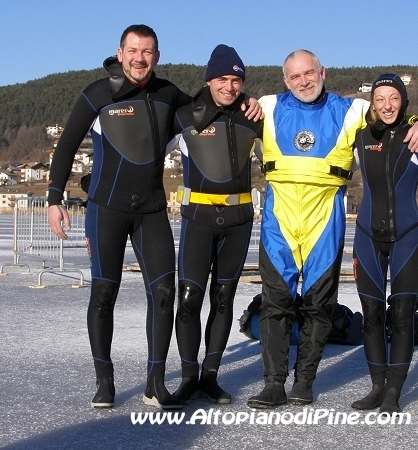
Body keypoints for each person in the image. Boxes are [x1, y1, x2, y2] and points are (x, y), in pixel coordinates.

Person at [47, 25, 261, 410]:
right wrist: (53, 197)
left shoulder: (168, 94)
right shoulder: (98, 93)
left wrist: (245, 99)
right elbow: (66, 146)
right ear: (120, 52)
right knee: (104, 293)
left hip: (151, 210)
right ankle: (104, 381)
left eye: (147, 52)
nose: (139, 58)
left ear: (156, 56)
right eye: (133, 50)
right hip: (106, 208)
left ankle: (155, 383)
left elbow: (210, 102)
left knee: (164, 295)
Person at [247, 50, 418, 409]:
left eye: (309, 73)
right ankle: (273, 384)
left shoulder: (352, 110)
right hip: (279, 218)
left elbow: (391, 110)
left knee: (319, 304)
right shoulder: (267, 106)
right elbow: (225, 111)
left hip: (324, 217)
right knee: (276, 302)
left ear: (323, 72)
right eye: (295, 76)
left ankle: (304, 382)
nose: (303, 81)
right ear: (285, 80)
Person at [167, 44, 263, 405]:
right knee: (189, 297)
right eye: (222, 79)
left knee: (223, 298)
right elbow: (145, 153)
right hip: (198, 218)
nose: (229, 86)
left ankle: (210, 376)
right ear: (209, 80)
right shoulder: (184, 117)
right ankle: (188, 377)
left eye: (236, 80)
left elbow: (278, 161)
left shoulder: (253, 117)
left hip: (238, 220)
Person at [350, 73, 418, 414]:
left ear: (403, 101)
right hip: (366, 237)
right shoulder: (360, 137)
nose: (387, 105)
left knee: (403, 315)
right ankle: (377, 387)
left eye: (393, 98)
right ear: (372, 104)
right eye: (380, 99)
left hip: (408, 236)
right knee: (372, 315)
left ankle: (394, 391)